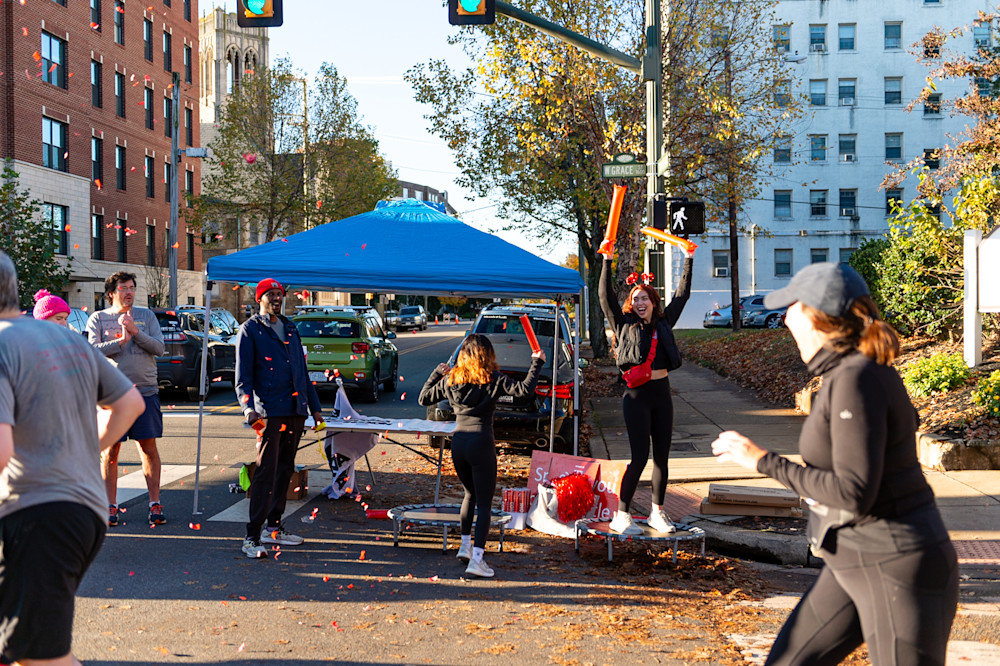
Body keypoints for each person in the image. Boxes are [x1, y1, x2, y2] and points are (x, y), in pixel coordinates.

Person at [711, 262, 958, 666]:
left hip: (897, 565)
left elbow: (852, 493)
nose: (785, 315)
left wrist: (761, 461)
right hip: (851, 561)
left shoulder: (857, 379)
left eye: (792, 305)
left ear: (816, 316)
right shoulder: (848, 375)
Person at [0, 250, 146, 666]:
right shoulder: (68, 340)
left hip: (37, 516)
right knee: (17, 648)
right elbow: (129, 405)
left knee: (42, 658)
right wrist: (85, 448)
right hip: (83, 513)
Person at [418, 334, 545, 578]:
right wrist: (536, 363)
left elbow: (424, 398)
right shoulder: (492, 379)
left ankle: (466, 545)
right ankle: (477, 558)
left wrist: (437, 373)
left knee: (469, 495)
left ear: (463, 355)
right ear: (487, 355)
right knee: (485, 503)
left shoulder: (452, 380)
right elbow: (525, 393)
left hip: (459, 442)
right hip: (481, 440)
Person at [598, 245, 694, 535]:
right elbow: (604, 297)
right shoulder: (624, 324)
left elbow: (682, 295)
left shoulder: (665, 323)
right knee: (639, 457)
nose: (640, 302)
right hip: (636, 397)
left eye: (645, 298)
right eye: (635, 299)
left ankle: (658, 513)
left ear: (654, 302)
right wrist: (607, 259)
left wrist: (688, 258)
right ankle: (622, 515)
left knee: (662, 457)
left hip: (662, 393)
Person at [235, 278, 324, 559]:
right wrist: (249, 410)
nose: (276, 298)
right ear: (260, 298)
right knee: (265, 472)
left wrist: (316, 408)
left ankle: (273, 527)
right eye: (271, 294)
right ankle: (251, 536)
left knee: (286, 469)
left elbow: (302, 373)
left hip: (295, 410)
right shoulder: (250, 330)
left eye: (279, 294)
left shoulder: (290, 327)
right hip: (268, 412)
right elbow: (243, 379)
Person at [86, 271, 167, 527]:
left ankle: (154, 503)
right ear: (112, 293)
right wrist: (121, 341)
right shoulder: (98, 318)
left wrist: (136, 332)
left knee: (148, 448)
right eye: (124, 288)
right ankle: (110, 505)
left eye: (132, 287)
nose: (129, 292)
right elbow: (91, 351)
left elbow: (159, 348)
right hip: (111, 397)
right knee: (110, 452)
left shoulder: (146, 316)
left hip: (145, 392)